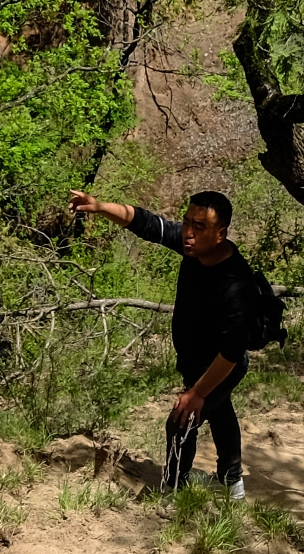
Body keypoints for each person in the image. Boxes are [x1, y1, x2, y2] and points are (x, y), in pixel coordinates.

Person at [66, 187, 273, 498]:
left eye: (199, 226)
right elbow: (146, 223)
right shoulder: (193, 246)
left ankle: (173, 492)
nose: (188, 233)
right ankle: (232, 480)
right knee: (220, 410)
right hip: (194, 360)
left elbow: (231, 353)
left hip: (222, 365)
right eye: (186, 222)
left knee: (181, 420)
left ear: (221, 234)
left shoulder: (237, 286)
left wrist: (196, 393)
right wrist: (99, 206)